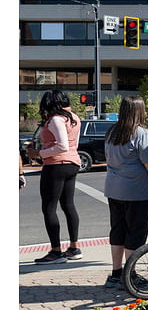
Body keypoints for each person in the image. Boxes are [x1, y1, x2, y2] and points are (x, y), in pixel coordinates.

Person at [102, 96, 148, 289]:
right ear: (139, 111)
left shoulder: (112, 132)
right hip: (137, 191)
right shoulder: (140, 133)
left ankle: (116, 273)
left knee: (118, 231)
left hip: (114, 189)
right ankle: (130, 275)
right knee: (135, 233)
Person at [26, 90, 82, 265]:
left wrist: (39, 153)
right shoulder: (74, 117)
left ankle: (56, 252)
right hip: (72, 164)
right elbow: (73, 144)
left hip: (56, 165)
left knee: (49, 208)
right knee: (68, 205)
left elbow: (62, 146)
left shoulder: (56, 119)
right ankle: (74, 248)